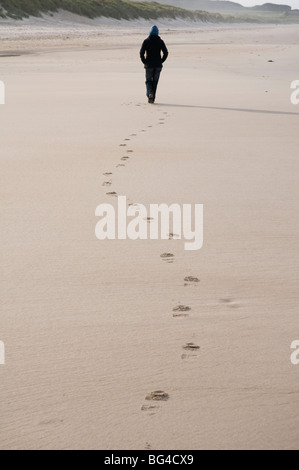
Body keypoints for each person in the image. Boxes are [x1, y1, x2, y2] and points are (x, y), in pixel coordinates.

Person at [140, 25, 168, 104]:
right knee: (155, 82)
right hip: (158, 65)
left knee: (148, 81)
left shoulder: (146, 41)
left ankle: (150, 94)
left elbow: (141, 53)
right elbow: (166, 53)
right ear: (157, 33)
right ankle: (152, 98)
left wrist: (144, 61)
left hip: (149, 65)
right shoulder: (160, 41)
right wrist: (161, 61)